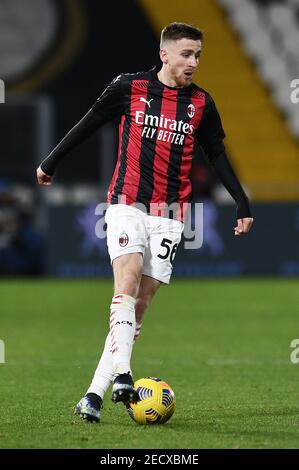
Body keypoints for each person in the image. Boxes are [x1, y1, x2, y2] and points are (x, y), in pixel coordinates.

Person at [36, 22, 253, 423]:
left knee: (142, 303)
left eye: (199, 56)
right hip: (126, 203)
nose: (193, 62)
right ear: (165, 54)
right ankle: (124, 373)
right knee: (128, 279)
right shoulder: (128, 87)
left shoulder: (201, 103)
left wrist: (241, 200)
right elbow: (90, 121)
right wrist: (51, 161)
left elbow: (216, 152)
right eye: (187, 54)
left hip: (171, 215)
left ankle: (94, 396)